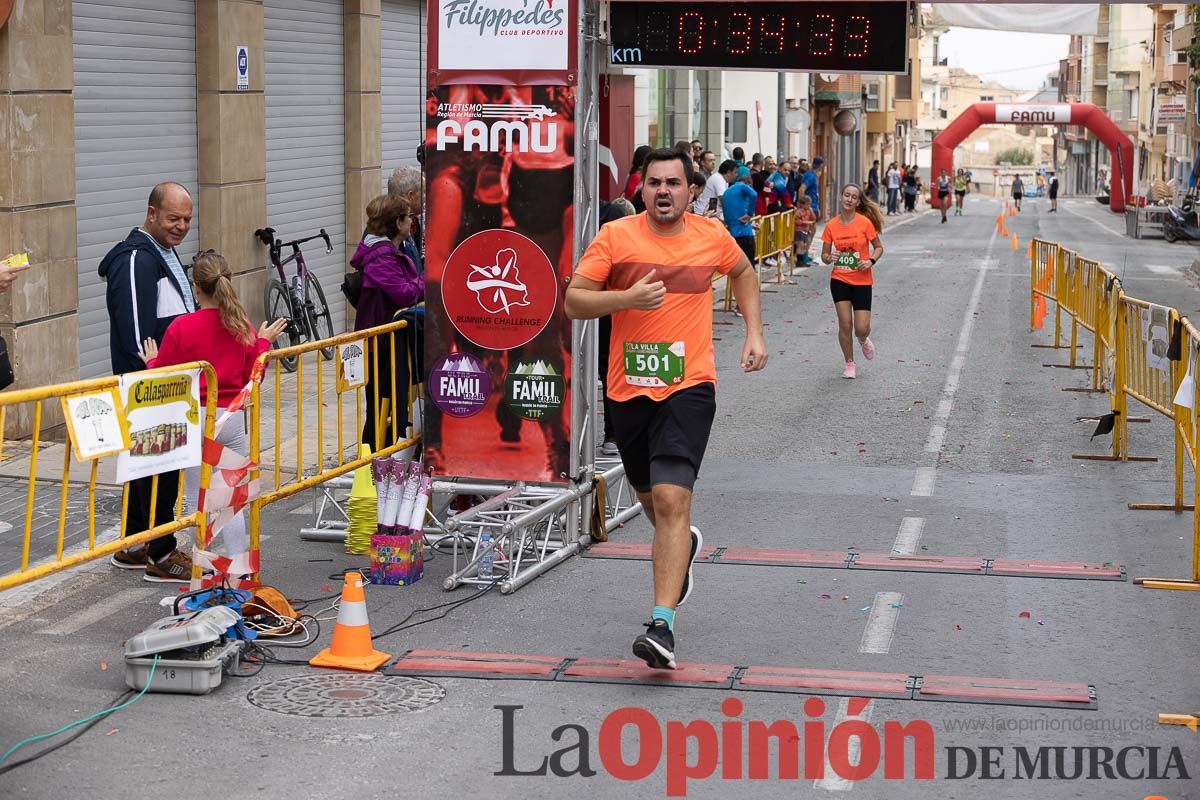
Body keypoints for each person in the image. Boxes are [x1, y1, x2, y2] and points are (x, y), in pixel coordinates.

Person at [567, 147, 767, 670]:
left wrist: (754, 332)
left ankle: (662, 624)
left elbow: (744, 272)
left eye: (673, 183)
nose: (663, 191)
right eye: (654, 182)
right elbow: (574, 300)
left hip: (689, 386)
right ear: (643, 189)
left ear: (691, 190)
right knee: (655, 504)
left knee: (674, 500)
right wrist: (624, 300)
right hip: (628, 392)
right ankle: (684, 548)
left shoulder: (710, 237)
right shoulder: (616, 237)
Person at [139, 252, 287, 567]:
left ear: (195, 288)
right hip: (231, 419)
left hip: (197, 421)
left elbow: (165, 377)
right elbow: (253, 375)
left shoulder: (181, 328)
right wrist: (262, 343)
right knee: (231, 499)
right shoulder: (240, 324)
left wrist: (150, 362)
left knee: (200, 499)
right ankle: (238, 567)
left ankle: (205, 571)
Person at [103, 182, 199, 582]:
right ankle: (160, 553)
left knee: (151, 465)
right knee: (160, 464)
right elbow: (136, 331)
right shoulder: (137, 259)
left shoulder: (159, 252)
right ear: (152, 213)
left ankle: (135, 543)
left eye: (187, 220)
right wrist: (155, 373)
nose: (181, 226)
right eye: (173, 218)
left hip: (164, 380)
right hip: (152, 382)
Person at [352, 194, 426, 451]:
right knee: (382, 405)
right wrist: (431, 277)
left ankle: (385, 457)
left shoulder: (390, 251)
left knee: (393, 404)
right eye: (409, 218)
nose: (412, 223)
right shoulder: (380, 257)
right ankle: (374, 461)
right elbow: (405, 292)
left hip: (392, 343)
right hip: (380, 345)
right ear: (397, 222)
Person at [821, 183, 884, 380]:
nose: (849, 199)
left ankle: (864, 340)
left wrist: (870, 261)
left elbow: (879, 247)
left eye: (853, 197)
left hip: (862, 281)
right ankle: (849, 363)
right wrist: (829, 257)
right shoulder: (831, 225)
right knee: (845, 324)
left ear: (858, 202)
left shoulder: (865, 223)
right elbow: (824, 255)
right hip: (840, 279)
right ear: (841, 198)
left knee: (861, 328)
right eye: (846, 195)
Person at [723, 172, 759, 278]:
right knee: (749, 267)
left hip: (732, 235)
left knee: (736, 269)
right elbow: (754, 194)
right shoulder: (742, 187)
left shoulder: (726, 192)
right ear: (748, 184)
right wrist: (749, 213)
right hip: (745, 233)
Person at [387, 164, 424, 264]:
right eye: (423, 193)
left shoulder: (413, 220)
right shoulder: (385, 230)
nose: (425, 197)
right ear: (410, 196)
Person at [792, 194, 816, 266]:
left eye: (810, 204)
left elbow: (813, 218)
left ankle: (802, 260)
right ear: (803, 204)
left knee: (804, 246)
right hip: (799, 230)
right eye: (808, 204)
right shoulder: (799, 211)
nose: (809, 206)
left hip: (805, 230)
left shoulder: (808, 211)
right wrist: (804, 222)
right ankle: (799, 261)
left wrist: (811, 211)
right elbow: (795, 221)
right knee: (800, 245)